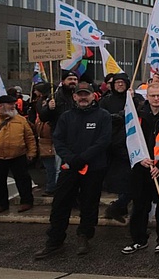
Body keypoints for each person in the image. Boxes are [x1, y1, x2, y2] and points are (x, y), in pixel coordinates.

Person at [34, 82, 112, 259]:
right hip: (69, 168)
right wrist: (71, 159)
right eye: (80, 94)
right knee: (60, 203)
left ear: (93, 96)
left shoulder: (103, 116)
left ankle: (84, 236)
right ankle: (54, 241)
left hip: (94, 168)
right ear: (75, 97)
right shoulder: (66, 117)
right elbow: (58, 140)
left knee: (89, 204)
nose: (83, 97)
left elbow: (104, 141)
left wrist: (82, 158)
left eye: (86, 94)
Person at [121, 83, 159, 255]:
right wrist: (140, 159)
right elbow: (131, 139)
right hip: (142, 167)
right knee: (140, 205)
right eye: (152, 95)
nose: (156, 99)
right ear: (147, 96)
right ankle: (138, 239)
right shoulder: (138, 116)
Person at [99, 73, 145, 223]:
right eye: (117, 82)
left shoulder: (135, 98)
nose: (120, 85)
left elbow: (144, 110)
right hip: (115, 146)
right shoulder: (106, 100)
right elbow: (103, 117)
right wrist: (121, 115)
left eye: (122, 83)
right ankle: (119, 206)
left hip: (133, 144)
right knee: (122, 180)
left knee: (135, 180)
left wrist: (134, 102)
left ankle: (118, 207)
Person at [27, 83, 57, 196]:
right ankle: (51, 186)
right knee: (50, 167)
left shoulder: (48, 103)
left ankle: (52, 187)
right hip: (43, 140)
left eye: (36, 90)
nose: (35, 93)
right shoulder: (38, 104)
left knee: (52, 167)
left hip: (49, 140)